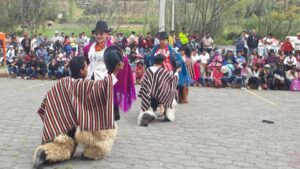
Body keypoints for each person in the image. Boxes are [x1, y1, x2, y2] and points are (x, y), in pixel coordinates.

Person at [32, 49, 124, 168]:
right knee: (105, 126)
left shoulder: (63, 82)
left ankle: (44, 154)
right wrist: (116, 71)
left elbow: (48, 101)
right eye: (86, 67)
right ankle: (92, 151)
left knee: (63, 146)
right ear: (81, 71)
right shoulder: (85, 85)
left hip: (63, 126)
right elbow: (104, 86)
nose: (88, 69)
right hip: (77, 126)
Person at [83, 20, 136, 119]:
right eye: (96, 34)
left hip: (105, 81)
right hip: (90, 80)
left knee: (106, 113)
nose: (98, 36)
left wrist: (117, 71)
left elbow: (123, 60)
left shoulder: (112, 49)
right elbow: (86, 60)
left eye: (101, 34)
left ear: (107, 34)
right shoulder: (88, 48)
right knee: (91, 112)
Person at [138, 54, 180, 126]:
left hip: (148, 96)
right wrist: (176, 73)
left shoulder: (148, 70)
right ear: (162, 62)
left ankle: (145, 113)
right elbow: (172, 81)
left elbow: (144, 83)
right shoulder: (163, 72)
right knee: (171, 94)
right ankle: (168, 114)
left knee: (147, 92)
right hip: (160, 97)